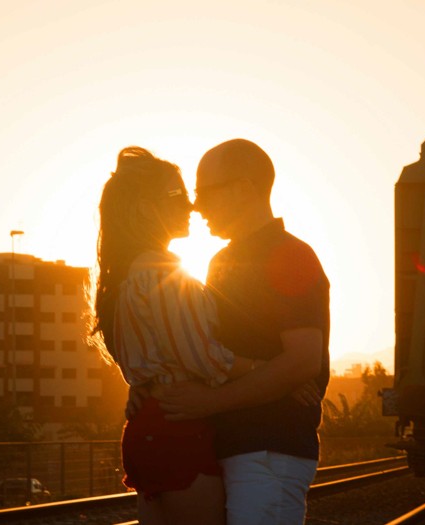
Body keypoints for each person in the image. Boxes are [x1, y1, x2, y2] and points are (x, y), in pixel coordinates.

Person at [155, 139, 331, 525]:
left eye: (205, 192)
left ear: (244, 189)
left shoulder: (290, 256)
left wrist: (210, 402)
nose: (196, 205)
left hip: (269, 451)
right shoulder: (221, 262)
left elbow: (303, 359)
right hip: (235, 448)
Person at [93, 146, 266, 525]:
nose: (190, 205)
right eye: (177, 195)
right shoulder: (162, 274)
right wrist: (266, 370)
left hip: (150, 427)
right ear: (144, 209)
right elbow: (201, 356)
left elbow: (146, 362)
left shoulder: (126, 276)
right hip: (178, 428)